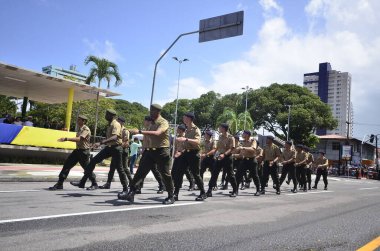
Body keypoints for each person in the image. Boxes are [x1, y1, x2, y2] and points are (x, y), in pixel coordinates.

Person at [120, 104, 175, 204]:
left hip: (162, 151)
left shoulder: (163, 122)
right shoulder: (151, 123)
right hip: (150, 151)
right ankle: (131, 193)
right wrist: (144, 149)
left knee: (165, 174)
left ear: (157, 112)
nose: (150, 113)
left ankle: (171, 196)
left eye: (152, 111)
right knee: (140, 172)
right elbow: (148, 137)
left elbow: (158, 133)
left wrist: (139, 131)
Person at [71, 109, 129, 195]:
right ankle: (82, 182)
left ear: (112, 116)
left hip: (116, 148)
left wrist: (100, 143)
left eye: (107, 114)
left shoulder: (116, 124)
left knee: (120, 168)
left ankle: (125, 189)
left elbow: (115, 137)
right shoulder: (109, 124)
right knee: (93, 161)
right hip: (109, 148)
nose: (105, 116)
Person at [48, 115, 97, 190]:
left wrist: (66, 139)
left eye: (79, 120)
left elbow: (80, 139)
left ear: (84, 121)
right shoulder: (80, 129)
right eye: (78, 119)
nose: (78, 121)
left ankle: (94, 183)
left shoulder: (86, 129)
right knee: (67, 165)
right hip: (77, 151)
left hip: (84, 152)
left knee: (87, 169)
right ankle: (60, 183)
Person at [175, 112, 207, 201]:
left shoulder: (196, 129)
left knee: (196, 174)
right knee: (179, 173)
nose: (183, 119)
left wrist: (186, 139)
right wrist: (180, 151)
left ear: (189, 118)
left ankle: (203, 193)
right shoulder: (187, 129)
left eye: (184, 117)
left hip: (194, 153)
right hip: (185, 153)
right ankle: (175, 194)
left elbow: (198, 142)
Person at [98, 116, 133, 189]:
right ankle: (108, 183)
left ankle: (131, 182)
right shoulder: (116, 128)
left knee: (124, 168)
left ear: (122, 122)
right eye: (117, 120)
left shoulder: (125, 130)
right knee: (112, 167)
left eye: (119, 121)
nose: (117, 121)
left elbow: (126, 142)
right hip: (117, 150)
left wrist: (119, 145)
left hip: (123, 151)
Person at [206, 123, 238, 198]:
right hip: (220, 157)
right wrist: (214, 154)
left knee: (230, 175)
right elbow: (218, 147)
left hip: (227, 157)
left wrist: (224, 155)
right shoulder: (220, 136)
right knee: (214, 173)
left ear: (224, 128)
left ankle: (235, 190)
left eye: (220, 127)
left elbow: (232, 148)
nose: (219, 128)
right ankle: (209, 190)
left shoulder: (231, 137)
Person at [235, 130, 261, 196]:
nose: (242, 134)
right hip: (244, 160)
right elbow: (241, 154)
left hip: (252, 160)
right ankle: (235, 190)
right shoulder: (243, 142)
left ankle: (258, 190)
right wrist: (234, 155)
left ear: (247, 134)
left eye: (243, 133)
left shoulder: (253, 141)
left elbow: (253, 149)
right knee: (238, 174)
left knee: (255, 176)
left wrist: (243, 148)